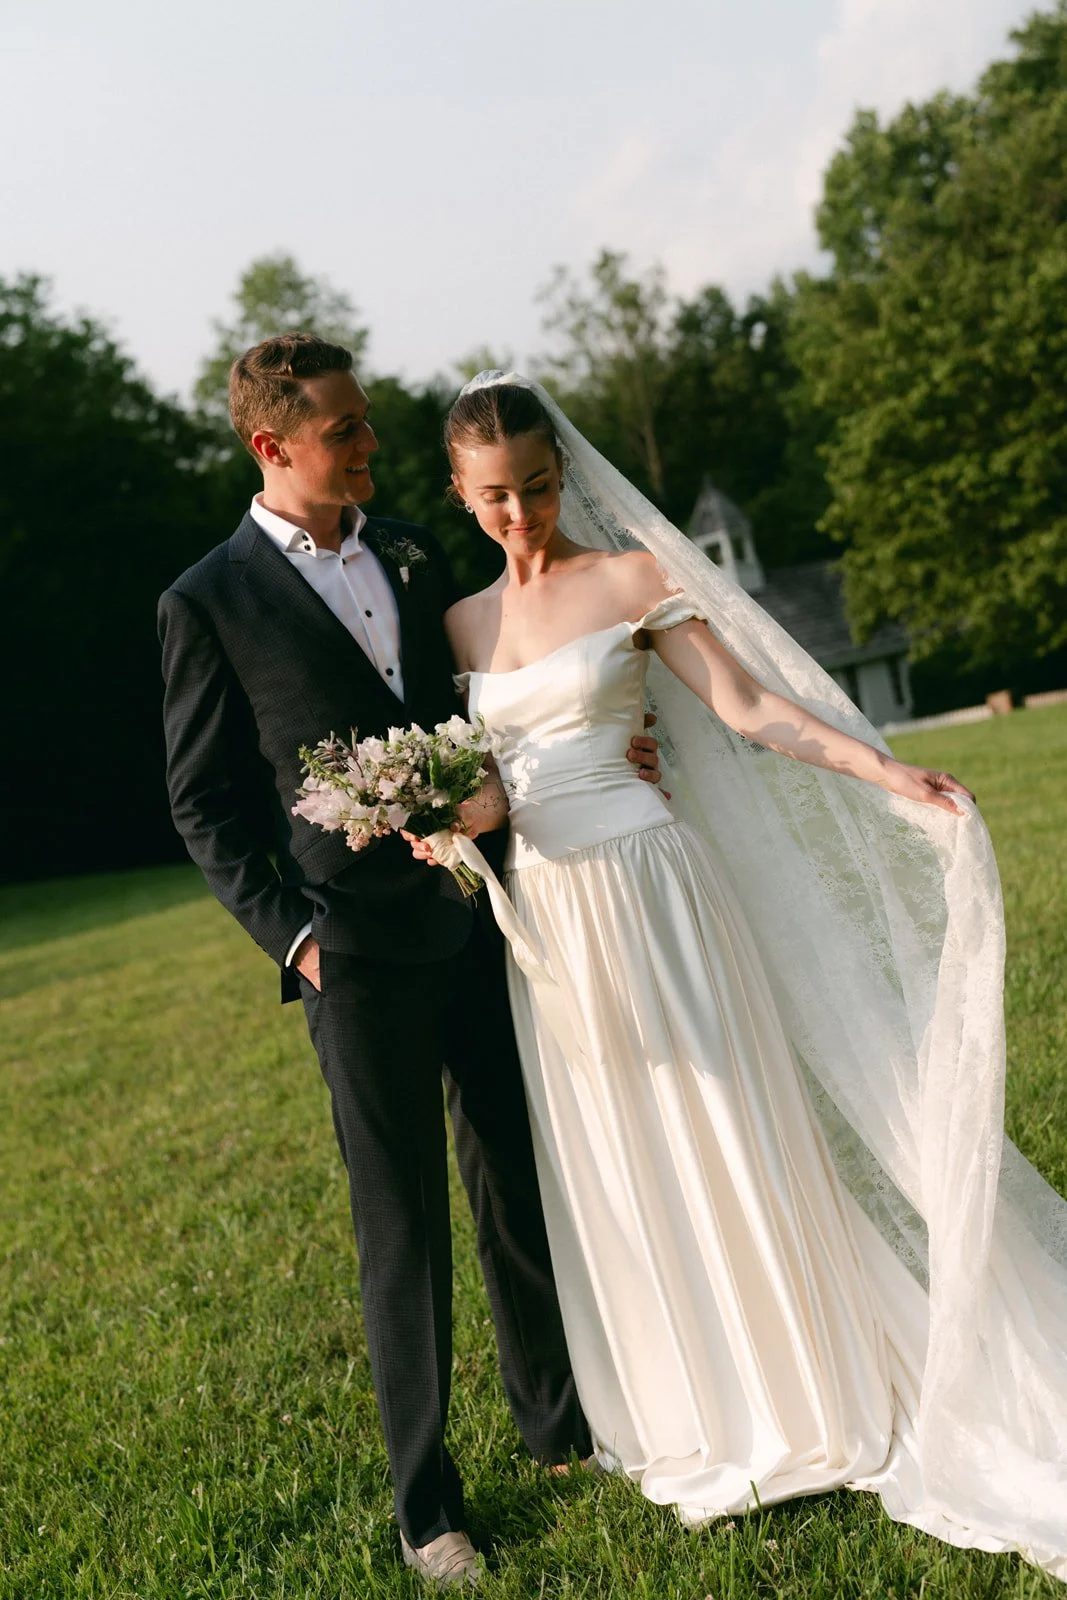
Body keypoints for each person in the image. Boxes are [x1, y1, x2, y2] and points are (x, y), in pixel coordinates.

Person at [409, 372, 1067, 1580]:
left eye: (540, 488)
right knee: (611, 1149)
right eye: (495, 496)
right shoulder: (452, 629)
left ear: (564, 475)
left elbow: (753, 706)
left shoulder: (633, 582)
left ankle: (805, 1387)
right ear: (457, 490)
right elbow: (475, 780)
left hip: (655, 889)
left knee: (722, 1119)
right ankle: (683, 1406)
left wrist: (885, 774)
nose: (522, 516)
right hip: (548, 922)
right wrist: (451, 820)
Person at [156, 334, 665, 1591]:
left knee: (513, 1182)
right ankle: (426, 1503)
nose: (372, 445)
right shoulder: (205, 601)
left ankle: (556, 1432)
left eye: (367, 419)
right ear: (272, 447)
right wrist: (298, 937)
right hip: (354, 958)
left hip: (479, 917)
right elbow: (203, 803)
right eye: (345, 430)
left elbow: (497, 693)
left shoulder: (413, 552)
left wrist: (597, 758)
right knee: (403, 1226)